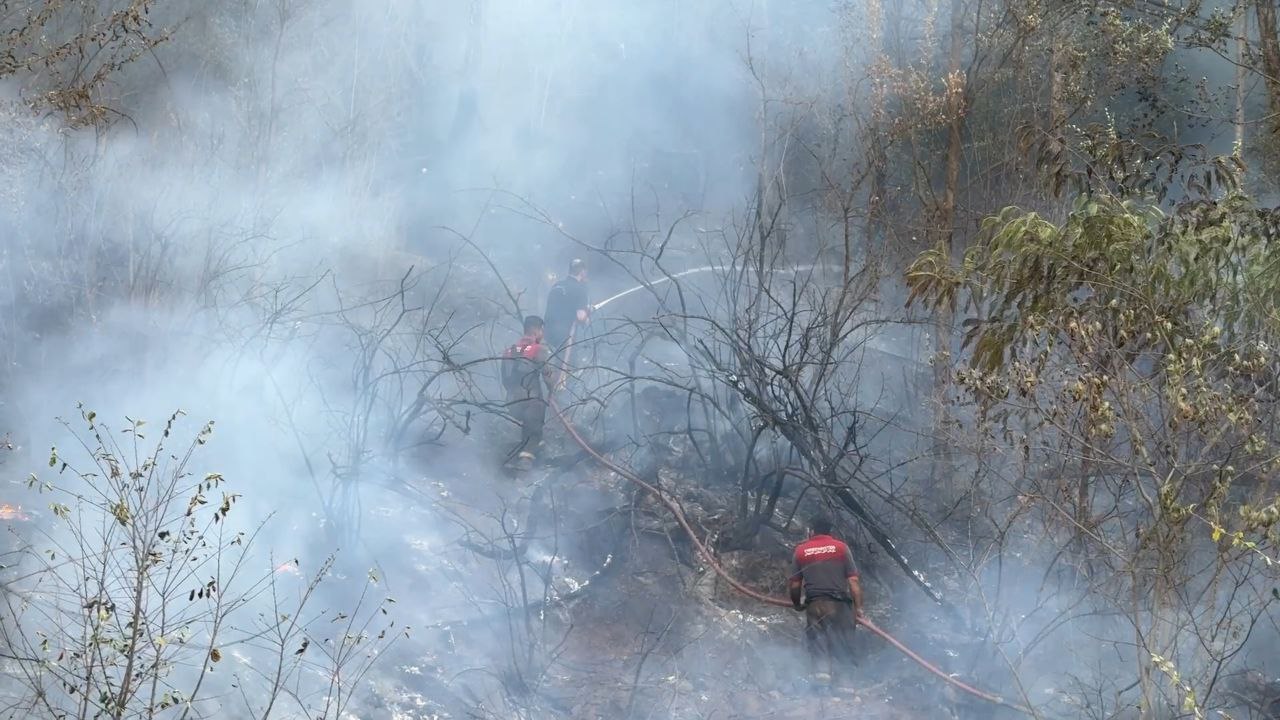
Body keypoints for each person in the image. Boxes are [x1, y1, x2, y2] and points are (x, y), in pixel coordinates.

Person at [789, 514, 865, 690]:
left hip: (815, 605)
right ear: (830, 531)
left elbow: (794, 584)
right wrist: (859, 609)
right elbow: (853, 582)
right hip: (840, 605)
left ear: (811, 531)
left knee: (818, 641)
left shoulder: (801, 551)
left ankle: (822, 683)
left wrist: (797, 604)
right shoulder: (841, 548)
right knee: (844, 642)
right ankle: (845, 686)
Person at [501, 315, 555, 471]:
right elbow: (548, 376)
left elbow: (505, 379)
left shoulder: (508, 351)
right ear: (538, 330)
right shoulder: (539, 349)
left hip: (511, 402)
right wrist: (553, 390)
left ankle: (534, 447)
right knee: (534, 431)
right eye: (542, 331)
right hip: (532, 403)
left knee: (529, 428)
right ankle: (524, 467)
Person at [543, 258, 591, 352]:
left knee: (549, 361)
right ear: (582, 272)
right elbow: (580, 316)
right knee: (566, 365)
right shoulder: (580, 289)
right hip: (565, 337)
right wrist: (587, 314)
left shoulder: (557, 285)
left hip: (547, 333)